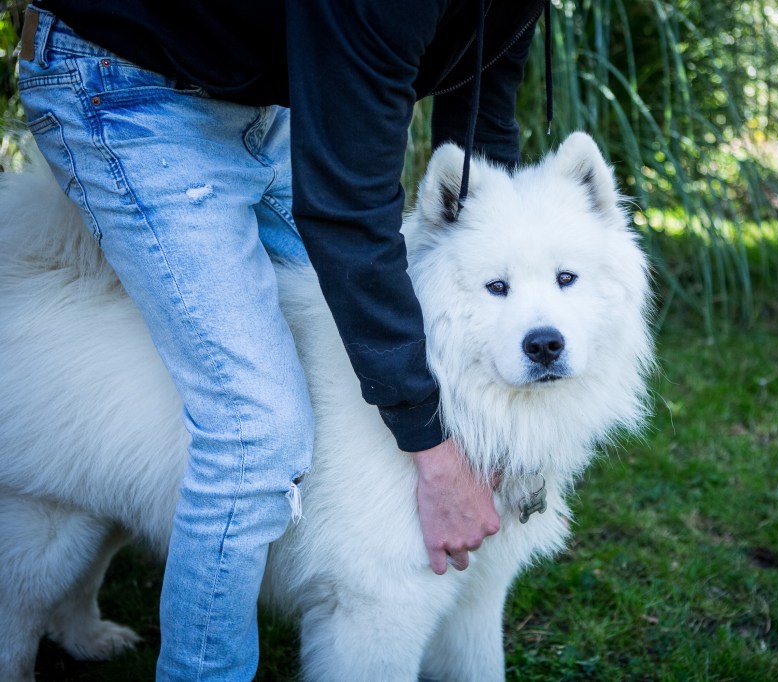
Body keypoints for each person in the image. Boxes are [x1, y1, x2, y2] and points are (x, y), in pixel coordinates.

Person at [17, 1, 548, 678]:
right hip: (117, 82)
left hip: (259, 104)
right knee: (255, 430)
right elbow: (350, 213)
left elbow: (481, 128)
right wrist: (437, 455)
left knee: (341, 349)